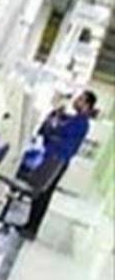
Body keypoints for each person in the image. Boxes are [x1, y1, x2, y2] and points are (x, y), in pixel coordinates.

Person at [21, 90, 98, 240]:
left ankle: (32, 228)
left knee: (43, 193)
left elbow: (58, 131)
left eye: (80, 99)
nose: (76, 101)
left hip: (56, 160)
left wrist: (54, 125)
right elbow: (53, 131)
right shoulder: (74, 119)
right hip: (52, 157)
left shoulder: (81, 122)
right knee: (40, 192)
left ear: (87, 104)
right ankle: (29, 225)